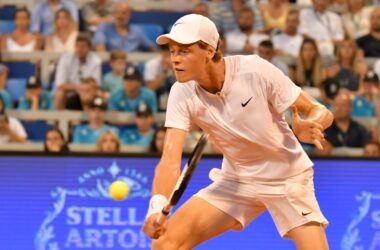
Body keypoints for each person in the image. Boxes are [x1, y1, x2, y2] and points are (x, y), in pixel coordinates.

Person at [142, 14, 333, 249]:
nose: (175, 60)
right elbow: (169, 162)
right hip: (237, 180)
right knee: (164, 244)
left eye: (184, 51)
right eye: (172, 51)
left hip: (287, 179)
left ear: (209, 51)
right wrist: (156, 206)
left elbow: (319, 110)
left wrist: (311, 124)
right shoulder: (181, 92)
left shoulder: (254, 71)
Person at [54, 34, 102, 109]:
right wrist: (78, 87)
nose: (79, 49)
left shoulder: (95, 61)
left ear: (89, 48)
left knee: (98, 94)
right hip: (70, 92)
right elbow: (60, 84)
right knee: (60, 93)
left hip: (87, 92)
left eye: (83, 46)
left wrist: (84, 90)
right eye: (77, 46)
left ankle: (89, 119)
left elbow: (96, 84)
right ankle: (57, 120)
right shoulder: (65, 59)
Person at [144, 45, 175, 111]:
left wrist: (173, 68)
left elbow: (183, 85)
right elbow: (149, 89)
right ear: (160, 51)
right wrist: (164, 71)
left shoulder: (179, 63)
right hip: (157, 101)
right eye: (164, 51)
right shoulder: (151, 64)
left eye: (169, 51)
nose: (166, 53)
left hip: (175, 100)